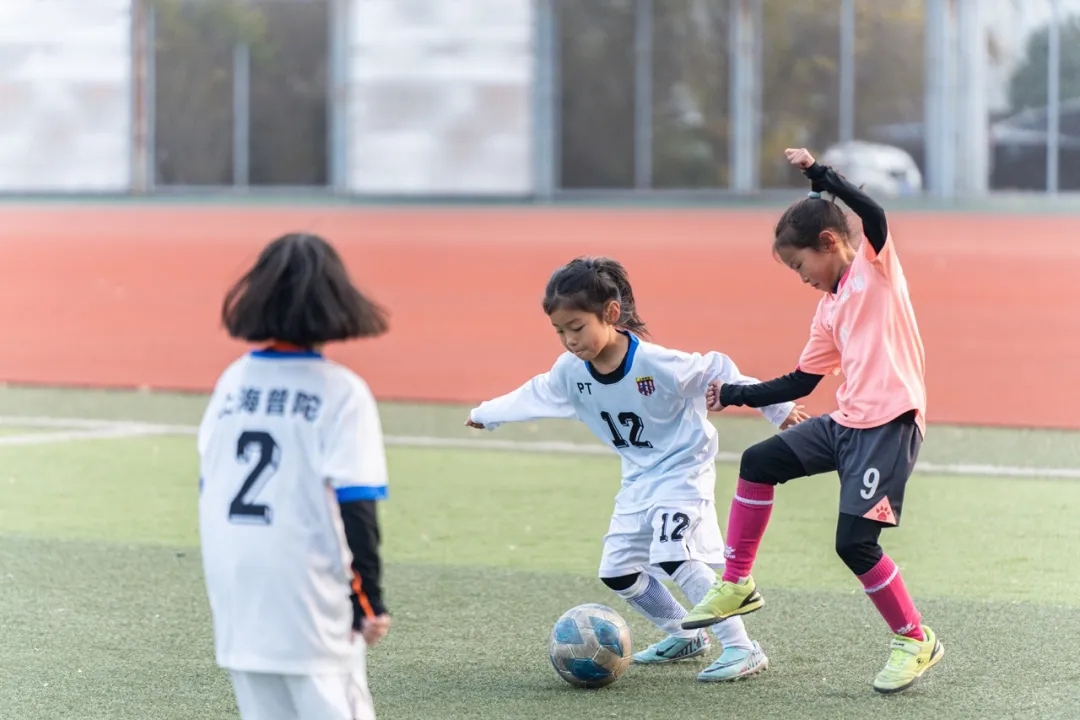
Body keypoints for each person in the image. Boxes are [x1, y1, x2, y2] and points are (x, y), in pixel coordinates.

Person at [466, 256, 807, 682]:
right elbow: (534, 393)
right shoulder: (570, 372)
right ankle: (686, 634)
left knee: (672, 553)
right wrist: (486, 414)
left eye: (577, 327)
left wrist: (779, 408)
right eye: (559, 331)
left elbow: (719, 371)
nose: (569, 340)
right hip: (638, 478)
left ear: (610, 313)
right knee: (617, 570)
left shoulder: (657, 364)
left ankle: (742, 646)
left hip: (683, 468)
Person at [680, 148, 944, 694]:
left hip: (890, 426)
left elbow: (873, 214)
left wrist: (822, 176)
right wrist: (734, 393)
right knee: (758, 462)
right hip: (846, 423)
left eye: (800, 266)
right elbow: (801, 382)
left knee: (854, 545)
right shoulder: (828, 309)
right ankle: (737, 582)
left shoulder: (876, 268)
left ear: (828, 243)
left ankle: (915, 638)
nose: (800, 277)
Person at [197, 232, 392, 719]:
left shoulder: (232, 383)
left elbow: (209, 487)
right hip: (310, 601)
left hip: (238, 597)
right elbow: (356, 506)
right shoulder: (341, 392)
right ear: (337, 300)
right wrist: (368, 601)